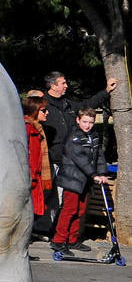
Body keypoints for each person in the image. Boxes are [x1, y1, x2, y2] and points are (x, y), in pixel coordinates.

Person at [51, 108, 109, 258]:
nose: (88, 125)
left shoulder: (93, 136)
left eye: (90, 122)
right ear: (78, 120)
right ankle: (59, 240)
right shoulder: (73, 136)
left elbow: (99, 156)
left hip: (85, 181)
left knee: (80, 210)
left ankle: (72, 239)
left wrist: (102, 172)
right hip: (72, 179)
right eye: (84, 122)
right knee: (69, 209)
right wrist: (94, 175)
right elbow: (80, 159)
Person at [41, 70, 117, 161]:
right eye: (63, 83)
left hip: (72, 157)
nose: (66, 86)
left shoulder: (68, 104)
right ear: (53, 86)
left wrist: (106, 91)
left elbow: (88, 104)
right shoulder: (41, 106)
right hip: (53, 159)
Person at [22, 94, 52, 241]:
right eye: (43, 110)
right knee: (25, 211)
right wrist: (30, 175)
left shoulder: (36, 128)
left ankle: (25, 239)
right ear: (35, 111)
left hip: (35, 177)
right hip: (29, 177)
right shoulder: (27, 128)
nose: (47, 113)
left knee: (31, 210)